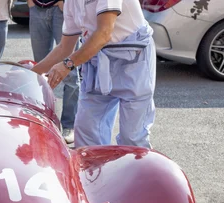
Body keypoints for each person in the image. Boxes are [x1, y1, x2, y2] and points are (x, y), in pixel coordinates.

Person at [30, 0, 156, 149]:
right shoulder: (71, 3)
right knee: (87, 133)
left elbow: (104, 33)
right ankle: (96, 172)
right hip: (97, 62)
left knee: (133, 139)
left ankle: (138, 170)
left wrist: (67, 65)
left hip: (133, 61)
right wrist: (29, 74)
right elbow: (64, 47)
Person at [27, 0, 79, 144]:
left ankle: (69, 126)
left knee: (70, 73)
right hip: (37, 8)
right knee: (40, 69)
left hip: (61, 9)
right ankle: (43, 122)